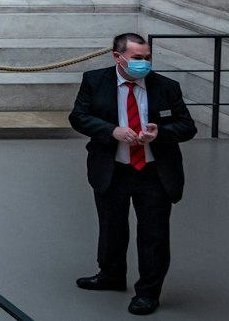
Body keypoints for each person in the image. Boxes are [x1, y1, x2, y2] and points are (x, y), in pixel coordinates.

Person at [69, 33, 195, 315]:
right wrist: (111, 131)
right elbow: (78, 117)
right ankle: (110, 275)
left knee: (153, 234)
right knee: (111, 227)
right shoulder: (94, 81)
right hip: (113, 169)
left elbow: (187, 126)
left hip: (154, 172)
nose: (144, 63)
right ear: (118, 57)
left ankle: (148, 293)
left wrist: (160, 132)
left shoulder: (166, 87)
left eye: (148, 58)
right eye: (138, 58)